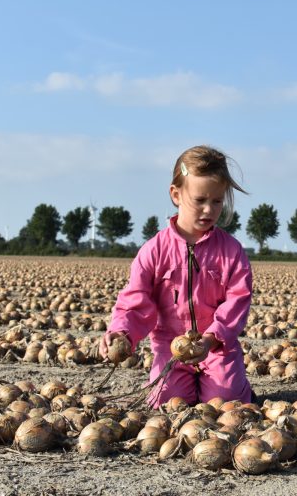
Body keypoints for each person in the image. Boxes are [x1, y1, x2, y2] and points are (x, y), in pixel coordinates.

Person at [98, 145, 253, 408]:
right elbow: (135, 300)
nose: (209, 210)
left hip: (216, 348)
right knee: (165, 401)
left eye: (217, 201)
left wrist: (211, 339)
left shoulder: (231, 251)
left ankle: (236, 387)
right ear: (176, 195)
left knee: (225, 402)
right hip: (169, 349)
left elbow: (237, 301)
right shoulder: (154, 250)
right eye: (200, 200)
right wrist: (121, 333)